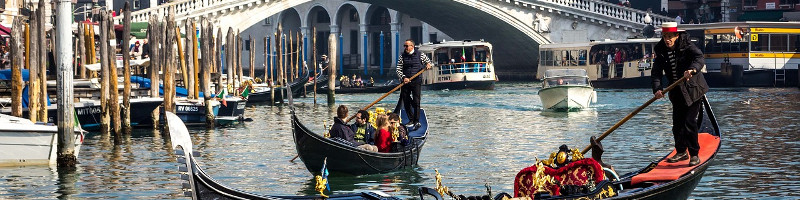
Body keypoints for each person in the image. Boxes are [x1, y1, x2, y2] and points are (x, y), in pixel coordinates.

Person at [651, 22, 708, 167]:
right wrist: (657, 89)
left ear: (676, 36)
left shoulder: (687, 45)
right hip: (676, 91)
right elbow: (656, 72)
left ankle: (694, 154)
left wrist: (692, 70)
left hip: (693, 89)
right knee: (677, 124)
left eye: (669, 36)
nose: (667, 40)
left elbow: (699, 58)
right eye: (664, 37)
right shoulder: (661, 49)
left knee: (689, 122)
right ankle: (682, 151)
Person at [396, 39, 432, 130]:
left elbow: (429, 62)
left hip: (416, 81)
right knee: (406, 100)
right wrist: (404, 78)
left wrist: (428, 64)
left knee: (416, 101)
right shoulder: (402, 56)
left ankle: (416, 121)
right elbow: (398, 69)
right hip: (405, 81)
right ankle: (411, 119)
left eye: (407, 46)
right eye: (405, 46)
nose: (405, 48)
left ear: (412, 46)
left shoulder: (420, 55)